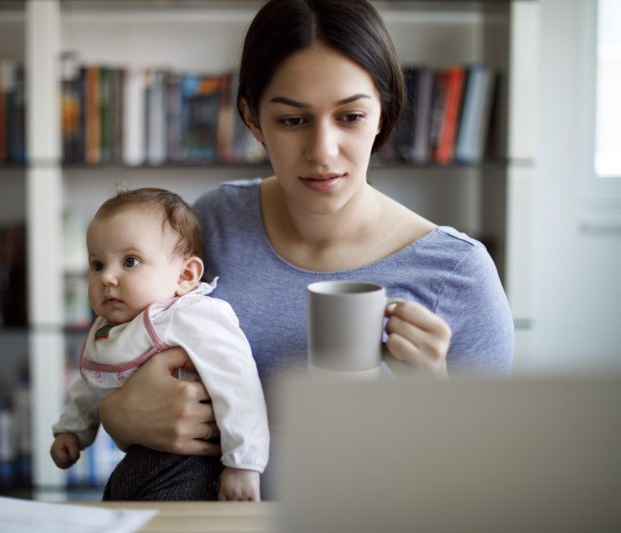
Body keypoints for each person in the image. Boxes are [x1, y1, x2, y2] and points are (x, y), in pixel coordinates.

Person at [99, 0, 515, 498]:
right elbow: (119, 353)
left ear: (382, 115)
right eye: (293, 120)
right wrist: (117, 414)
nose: (322, 151)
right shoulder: (211, 226)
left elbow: (491, 485)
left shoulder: (457, 273)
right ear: (253, 119)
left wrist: (433, 392)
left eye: (351, 116)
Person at [50, 188, 268, 501]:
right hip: (134, 466)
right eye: (97, 265)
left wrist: (243, 463)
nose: (107, 277)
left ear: (185, 275)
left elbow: (237, 383)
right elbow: (92, 383)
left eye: (130, 261)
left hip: (193, 467)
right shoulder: (107, 330)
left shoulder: (190, 315)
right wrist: (72, 430)